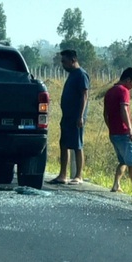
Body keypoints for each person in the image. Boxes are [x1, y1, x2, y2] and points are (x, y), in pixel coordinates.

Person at [49, 49, 90, 185]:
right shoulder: (72, 74)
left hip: (76, 117)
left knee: (77, 145)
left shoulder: (81, 75)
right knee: (64, 144)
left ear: (73, 61)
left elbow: (84, 95)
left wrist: (81, 116)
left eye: (64, 62)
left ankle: (78, 175)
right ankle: (62, 175)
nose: (62, 64)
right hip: (67, 116)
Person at [103, 67, 132, 195]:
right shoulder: (124, 91)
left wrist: (110, 128)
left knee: (123, 161)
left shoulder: (109, 91)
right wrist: (130, 129)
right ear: (127, 80)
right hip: (124, 132)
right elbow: (124, 110)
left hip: (113, 133)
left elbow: (105, 114)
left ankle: (116, 184)